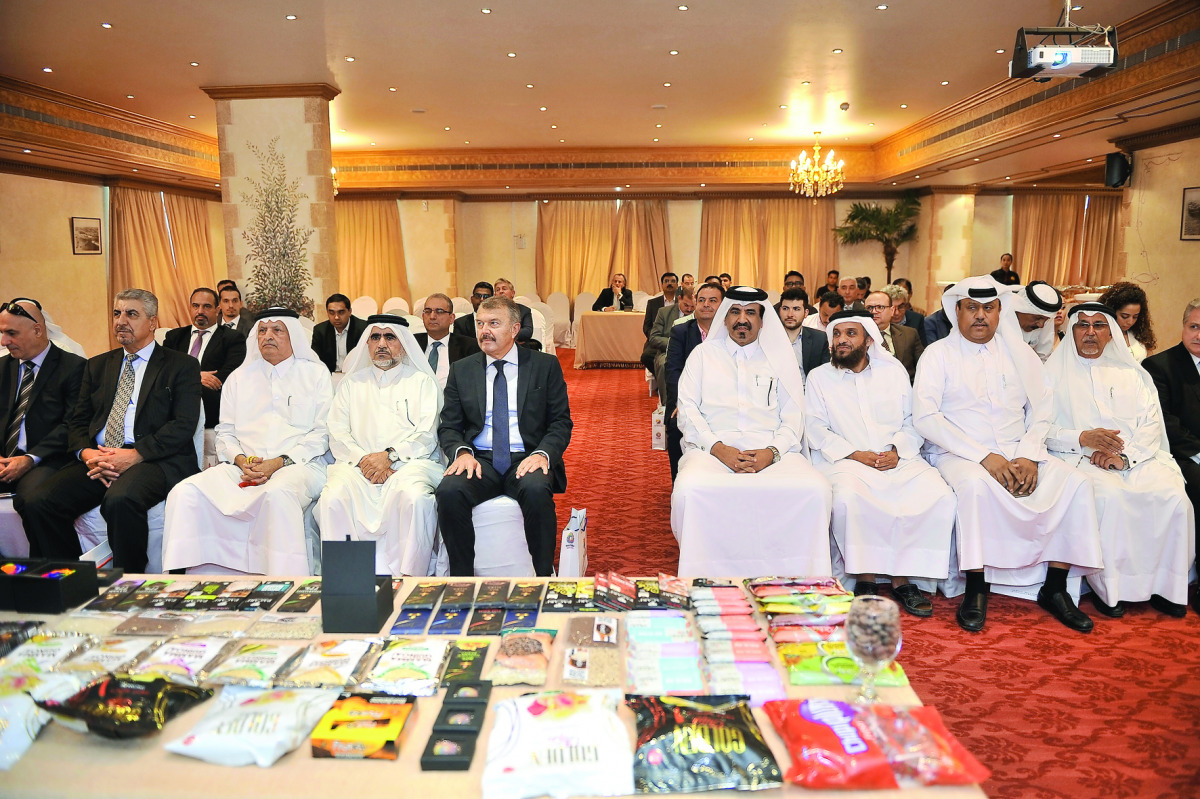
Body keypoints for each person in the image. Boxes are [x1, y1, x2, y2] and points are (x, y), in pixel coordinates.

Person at [912, 276, 1103, 633]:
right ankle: (976, 587)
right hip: (959, 452)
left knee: (1075, 482)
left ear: (1001, 311)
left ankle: (1056, 588)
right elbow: (926, 418)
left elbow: (1042, 409)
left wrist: (1030, 454)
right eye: (972, 308)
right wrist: (983, 456)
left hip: (1019, 449)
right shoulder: (938, 355)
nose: (980, 316)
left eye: (989, 308)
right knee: (975, 488)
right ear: (957, 311)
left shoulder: (1020, 354)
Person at [20, 289, 202, 571]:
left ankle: (129, 583)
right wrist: (88, 453)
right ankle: (73, 578)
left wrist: (135, 455)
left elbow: (183, 424)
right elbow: (78, 420)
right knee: (38, 501)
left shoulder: (181, 365)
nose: (120, 321)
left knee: (121, 499)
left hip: (155, 459)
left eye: (131, 314)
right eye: (117, 313)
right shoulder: (98, 365)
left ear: (152, 322)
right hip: (100, 457)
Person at [671, 286, 832, 576]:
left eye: (749, 313)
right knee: (688, 490)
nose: (741, 320)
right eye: (735, 312)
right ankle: (704, 575)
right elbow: (688, 409)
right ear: (725, 317)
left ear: (761, 320)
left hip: (773, 451)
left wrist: (772, 452)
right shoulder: (703, 355)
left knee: (816, 489)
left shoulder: (780, 359)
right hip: (711, 451)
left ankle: (800, 576)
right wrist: (719, 449)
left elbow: (794, 415)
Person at [1045, 303, 1192, 618]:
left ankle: (1167, 589)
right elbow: (1040, 430)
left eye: (1099, 325)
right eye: (1082, 325)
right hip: (1079, 459)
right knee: (1109, 498)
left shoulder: (1131, 373)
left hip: (1137, 458)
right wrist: (1081, 438)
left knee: (1175, 498)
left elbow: (1152, 424)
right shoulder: (1051, 374)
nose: (1090, 333)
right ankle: (1110, 591)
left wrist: (1126, 458)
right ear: (1070, 331)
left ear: (1110, 332)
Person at [805, 311, 956, 616]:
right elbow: (816, 428)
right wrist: (855, 454)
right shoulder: (819, 377)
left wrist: (898, 450)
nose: (841, 341)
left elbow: (912, 420)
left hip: (897, 459)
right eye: (837, 335)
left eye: (850, 334)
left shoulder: (894, 372)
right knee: (850, 498)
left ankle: (903, 580)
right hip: (846, 461)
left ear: (869, 339)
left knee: (939, 496)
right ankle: (865, 579)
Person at [162, 308, 332, 575]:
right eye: (262, 330)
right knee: (186, 492)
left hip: (299, 465)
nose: (268, 336)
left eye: (277, 330)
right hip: (242, 466)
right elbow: (225, 432)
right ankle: (194, 578)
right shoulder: (239, 378)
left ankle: (284, 579)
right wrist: (241, 460)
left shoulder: (316, 375)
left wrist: (278, 463)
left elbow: (322, 433)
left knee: (277, 495)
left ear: (293, 337)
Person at [435, 297, 572, 576]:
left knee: (536, 489)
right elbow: (449, 425)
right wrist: (461, 452)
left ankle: (543, 576)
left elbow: (560, 422)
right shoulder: (462, 370)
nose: (484, 331)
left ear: (514, 329)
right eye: (480, 324)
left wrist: (542, 454)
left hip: (526, 456)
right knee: (449, 491)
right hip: (480, 459)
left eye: (494, 324)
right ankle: (461, 581)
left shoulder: (544, 366)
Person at [317, 315, 446, 577]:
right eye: (375, 337)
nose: (382, 343)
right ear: (367, 344)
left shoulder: (421, 382)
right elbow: (338, 432)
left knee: (414, 498)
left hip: (411, 464)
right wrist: (367, 462)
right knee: (332, 499)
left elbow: (427, 435)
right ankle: (348, 578)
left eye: (390, 337)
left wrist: (389, 458)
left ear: (404, 344)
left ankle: (410, 577)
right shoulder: (351, 383)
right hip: (357, 466)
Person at [0, 299, 86, 553]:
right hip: (5, 458)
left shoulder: (74, 367)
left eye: (11, 333)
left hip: (48, 459)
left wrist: (29, 458)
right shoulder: (2, 368)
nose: (4, 341)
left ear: (37, 330)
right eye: (2, 333)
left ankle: (54, 575)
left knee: (35, 500)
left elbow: (72, 423)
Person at [1142, 298, 1200, 613]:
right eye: (1194, 327)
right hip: (1179, 454)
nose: (1199, 335)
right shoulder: (1159, 366)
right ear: (1183, 327)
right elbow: (1167, 424)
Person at [162, 288, 247, 443]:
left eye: (206, 306)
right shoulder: (174, 337)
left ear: (217, 310)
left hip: (209, 400)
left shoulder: (232, 338)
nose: (200, 311)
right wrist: (195, 376)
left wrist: (186, 379)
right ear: (190, 308)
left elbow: (229, 374)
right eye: (195, 306)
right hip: (173, 395)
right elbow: (163, 370)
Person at [664, 283, 724, 481]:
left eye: (712, 301)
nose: (706, 305)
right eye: (701, 300)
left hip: (721, 401)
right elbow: (673, 372)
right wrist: (683, 404)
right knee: (675, 426)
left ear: (723, 305)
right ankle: (680, 484)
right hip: (686, 400)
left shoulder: (729, 333)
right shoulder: (681, 332)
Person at [414, 293, 480, 390]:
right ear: (423, 316)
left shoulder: (469, 347)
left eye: (439, 311)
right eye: (428, 311)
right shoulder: (412, 343)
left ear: (451, 318)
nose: (432, 316)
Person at [645, 288, 696, 397]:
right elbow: (654, 338)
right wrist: (676, 344)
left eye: (692, 307)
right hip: (668, 352)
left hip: (694, 352)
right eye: (686, 305)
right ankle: (668, 404)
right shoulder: (664, 312)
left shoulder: (699, 314)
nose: (689, 309)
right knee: (665, 365)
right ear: (679, 299)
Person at [866, 288, 924, 383]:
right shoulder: (858, 338)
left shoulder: (909, 334)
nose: (874, 311)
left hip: (906, 389)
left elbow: (923, 368)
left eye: (880, 307)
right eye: (869, 308)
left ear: (892, 310)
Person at [777, 288, 830, 381]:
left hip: (807, 392)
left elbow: (826, 375)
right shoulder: (769, 338)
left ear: (806, 313)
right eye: (785, 309)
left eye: (796, 309)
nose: (790, 314)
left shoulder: (819, 339)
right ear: (780, 310)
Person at [1098, 282, 1156, 362]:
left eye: (1135, 317)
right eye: (1124, 316)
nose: (1130, 322)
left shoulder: (1139, 334)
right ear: (1111, 312)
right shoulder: (1100, 335)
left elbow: (1150, 363)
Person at [1009, 281, 1063, 363]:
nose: (1041, 325)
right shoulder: (1000, 317)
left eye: (1046, 320)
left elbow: (1044, 357)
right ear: (1021, 309)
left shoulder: (1045, 318)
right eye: (1038, 318)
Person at [312, 293, 366, 373]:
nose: (336, 317)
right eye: (332, 313)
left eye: (341, 312)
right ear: (327, 312)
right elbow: (315, 360)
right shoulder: (320, 331)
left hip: (355, 375)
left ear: (350, 312)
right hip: (329, 376)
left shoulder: (363, 329)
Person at [492, 278, 536, 344]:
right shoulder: (491, 311)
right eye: (498, 290)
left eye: (504, 289)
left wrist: (504, 333)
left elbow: (527, 332)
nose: (501, 291)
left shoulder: (524, 310)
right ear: (495, 295)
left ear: (513, 293)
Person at [642, 272, 679, 339]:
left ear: (677, 285)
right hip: (656, 341)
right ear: (662, 285)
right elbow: (647, 326)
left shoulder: (681, 303)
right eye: (666, 281)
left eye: (673, 281)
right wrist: (654, 338)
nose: (669, 283)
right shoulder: (652, 303)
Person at [891, 278, 927, 343]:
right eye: (892, 307)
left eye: (900, 307)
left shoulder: (918, 318)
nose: (896, 313)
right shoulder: (881, 319)